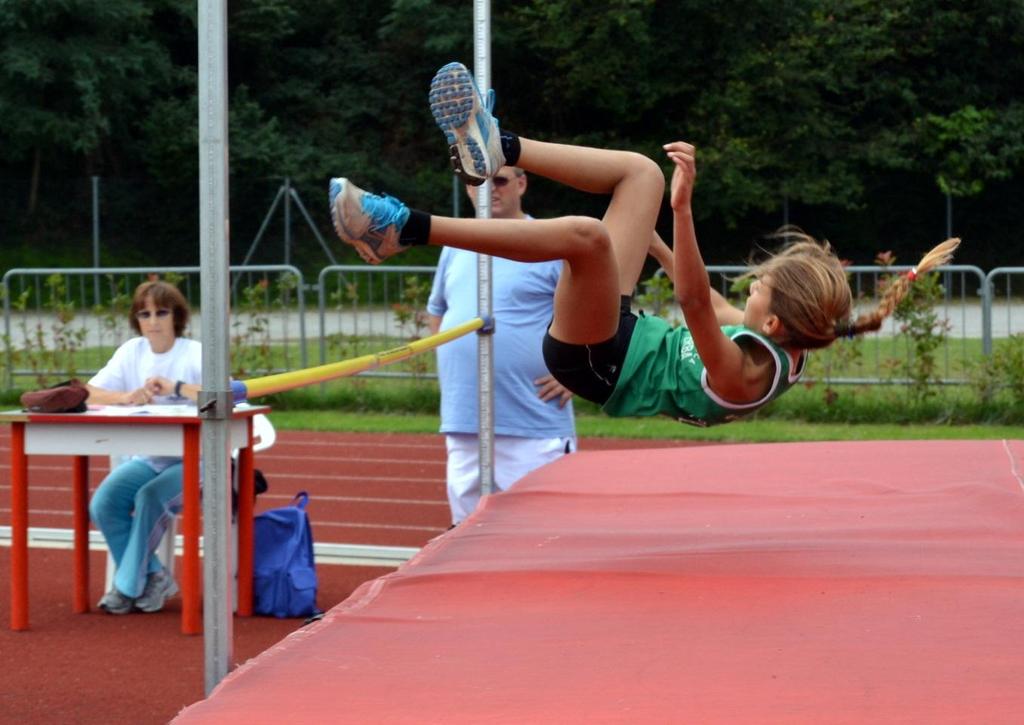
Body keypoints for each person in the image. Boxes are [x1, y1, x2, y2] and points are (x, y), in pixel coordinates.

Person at [328, 61, 960, 426]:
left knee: (585, 237)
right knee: (642, 175)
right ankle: (499, 148)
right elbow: (707, 297)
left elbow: (691, 301)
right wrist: (653, 232)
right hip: (617, 330)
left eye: (760, 283)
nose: (752, 282)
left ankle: (398, 228)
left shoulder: (745, 373)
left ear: (772, 318)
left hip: (595, 362)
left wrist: (683, 214)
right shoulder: (781, 336)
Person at [427, 165, 576, 524]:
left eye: (500, 180)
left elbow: (596, 315)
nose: (488, 189)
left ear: (521, 184)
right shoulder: (455, 244)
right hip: (464, 418)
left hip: (530, 418)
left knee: (536, 532)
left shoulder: (549, 240)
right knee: (465, 533)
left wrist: (576, 374)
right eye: (476, 181)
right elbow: (437, 311)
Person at [86, 280, 202, 614]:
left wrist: (176, 386)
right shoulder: (131, 351)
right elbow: (90, 392)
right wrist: (126, 396)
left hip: (199, 461)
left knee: (150, 497)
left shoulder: (194, 351)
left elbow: (228, 394)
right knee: (104, 504)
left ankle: (124, 589)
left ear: (175, 316)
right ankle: (156, 575)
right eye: (144, 313)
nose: (152, 321)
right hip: (150, 459)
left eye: (161, 312)